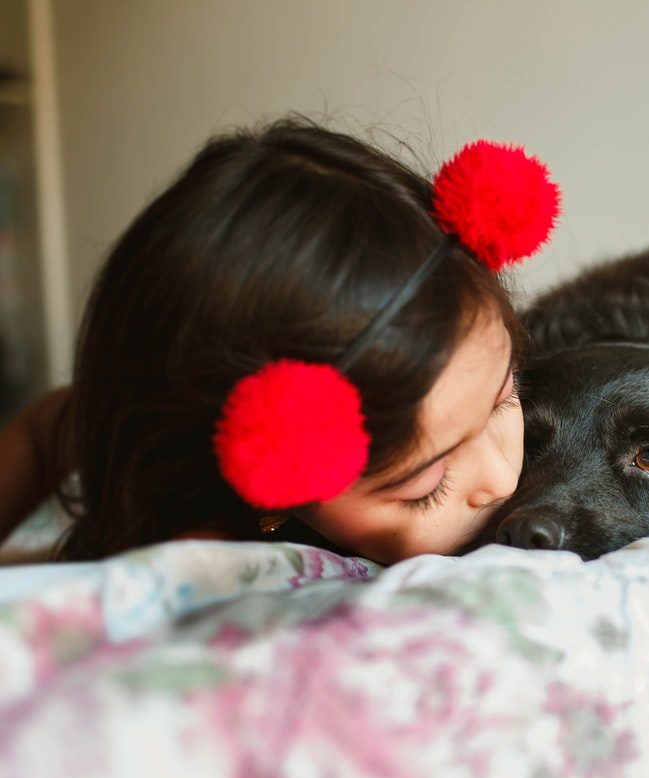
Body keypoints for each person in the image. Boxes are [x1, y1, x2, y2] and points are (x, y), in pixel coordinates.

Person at [0, 118, 559, 564]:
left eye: (504, 397)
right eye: (424, 486)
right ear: (260, 473)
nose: (500, 481)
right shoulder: (200, 558)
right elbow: (55, 427)